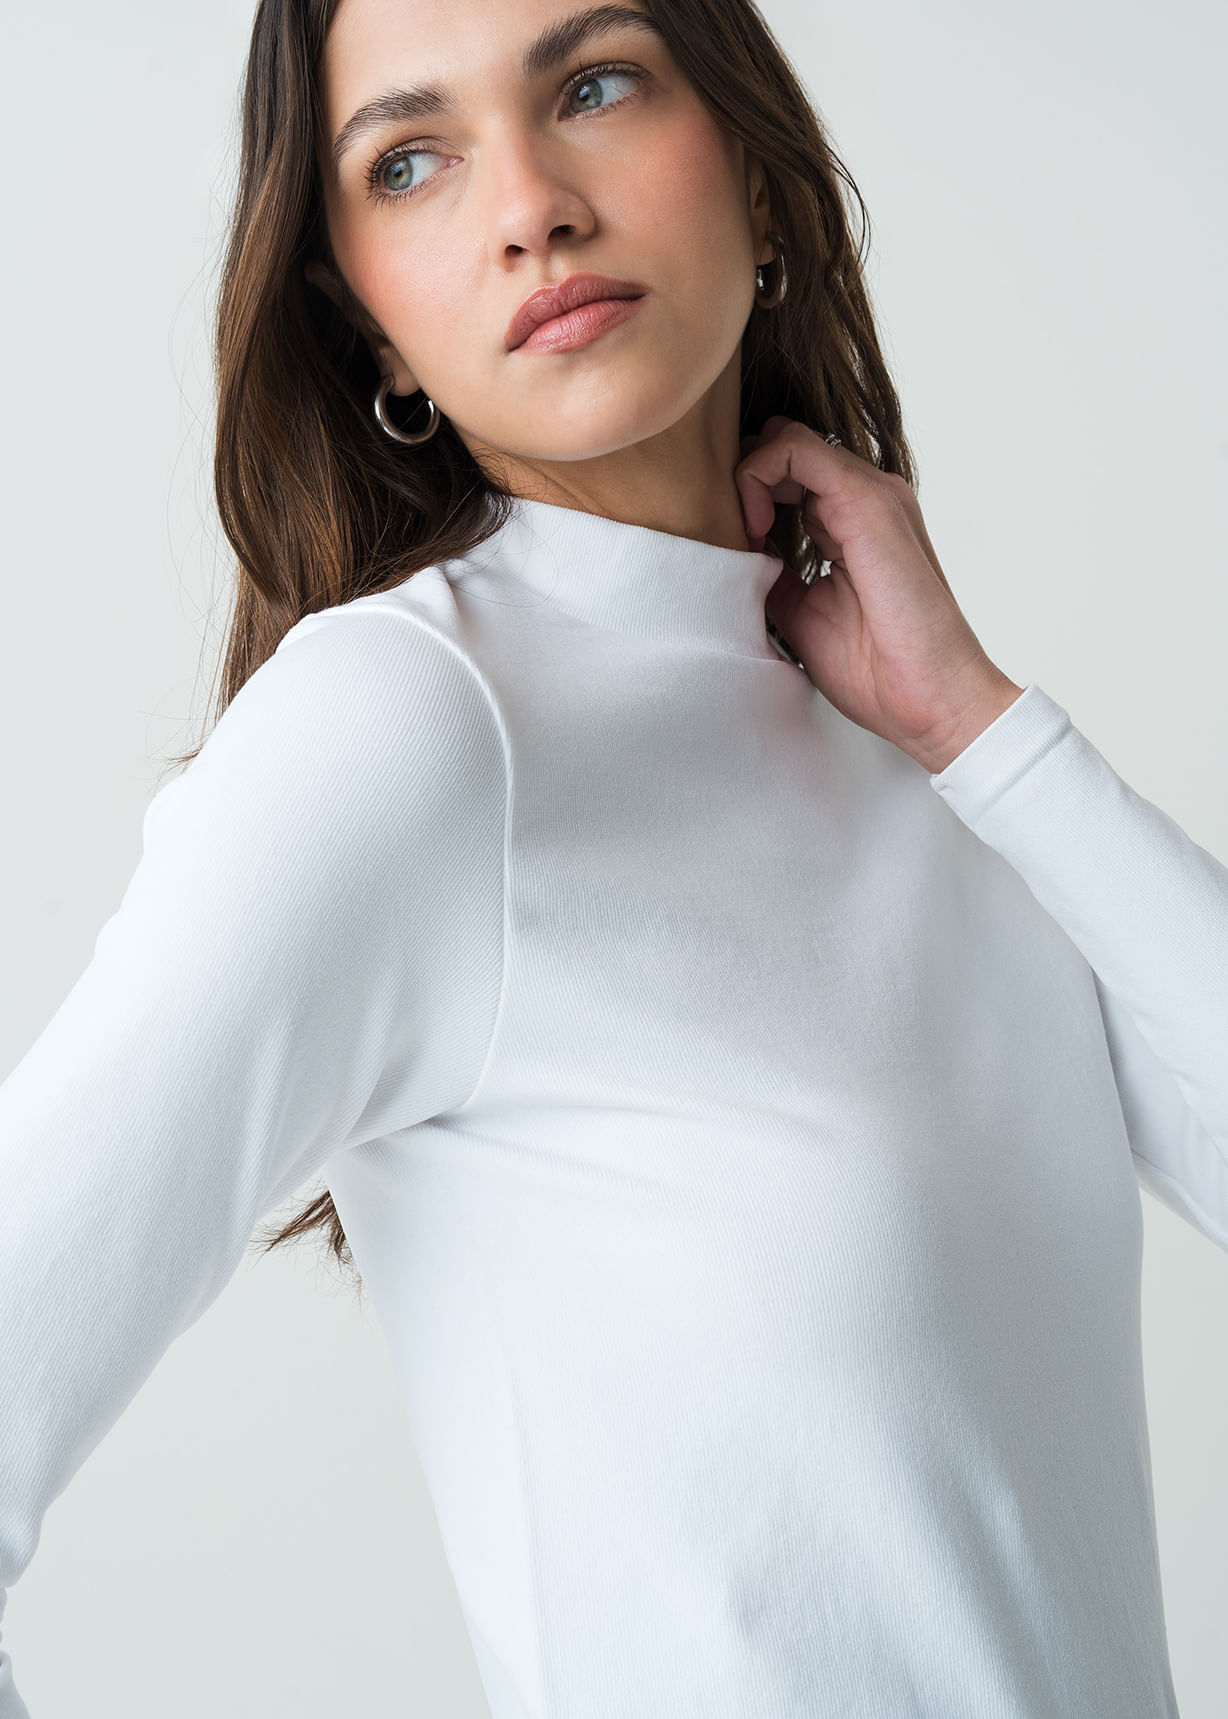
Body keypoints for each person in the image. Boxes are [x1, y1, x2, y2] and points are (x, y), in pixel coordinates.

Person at [1, 0, 1224, 1713]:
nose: (531, 207)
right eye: (409, 161)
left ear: (757, 172)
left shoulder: (907, 725)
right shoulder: (407, 728)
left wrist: (980, 732)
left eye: (593, 84)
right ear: (368, 322)